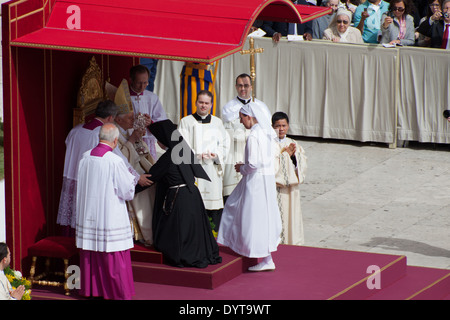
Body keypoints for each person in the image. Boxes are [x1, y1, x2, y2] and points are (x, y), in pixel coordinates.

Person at [143, 119, 222, 268]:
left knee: (181, 230)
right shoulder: (184, 150)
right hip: (193, 195)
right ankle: (199, 253)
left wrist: (131, 188)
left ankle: (186, 255)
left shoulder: (168, 156)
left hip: (179, 197)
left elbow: (150, 178)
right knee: (193, 228)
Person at [217, 102, 282, 272]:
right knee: (262, 216)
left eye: (241, 118)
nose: (240, 122)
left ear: (248, 117)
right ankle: (261, 254)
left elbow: (253, 163)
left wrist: (241, 168)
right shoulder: (266, 132)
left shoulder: (254, 136)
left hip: (255, 180)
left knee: (247, 213)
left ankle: (247, 247)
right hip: (266, 180)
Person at [76, 123, 137, 300]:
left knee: (92, 253)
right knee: (113, 256)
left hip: (89, 215)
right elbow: (127, 191)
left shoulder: (85, 157)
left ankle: (92, 290)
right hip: (109, 216)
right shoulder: (115, 161)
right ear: (115, 141)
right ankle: (117, 293)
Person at [56, 100, 119, 235]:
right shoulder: (103, 135)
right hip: (91, 183)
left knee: (72, 218)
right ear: (110, 118)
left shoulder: (75, 130)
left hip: (71, 177)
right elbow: (118, 160)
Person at [178, 90, 230, 232]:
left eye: (206, 103)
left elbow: (225, 144)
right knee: (194, 205)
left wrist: (216, 154)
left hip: (212, 170)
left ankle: (214, 237)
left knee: (213, 207)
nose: (203, 106)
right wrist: (196, 155)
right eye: (201, 102)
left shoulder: (217, 122)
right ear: (196, 103)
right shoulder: (186, 122)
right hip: (194, 170)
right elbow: (181, 145)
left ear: (211, 105)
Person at [221, 74, 271, 200]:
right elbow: (227, 132)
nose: (243, 88)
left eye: (246, 85)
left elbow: (267, 130)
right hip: (235, 151)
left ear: (251, 87)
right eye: (240, 86)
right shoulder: (228, 108)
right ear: (236, 87)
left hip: (257, 151)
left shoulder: (261, 107)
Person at [115, 99, 156, 246]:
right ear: (118, 119)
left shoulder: (128, 129)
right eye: (129, 117)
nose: (133, 120)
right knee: (144, 193)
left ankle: (154, 231)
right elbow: (120, 159)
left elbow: (142, 151)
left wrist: (138, 140)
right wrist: (132, 141)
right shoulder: (114, 133)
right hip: (126, 174)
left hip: (138, 167)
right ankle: (148, 235)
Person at [272, 112, 307, 246]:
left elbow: (302, 165)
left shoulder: (293, 143)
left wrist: (292, 157)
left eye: (284, 125)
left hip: (291, 190)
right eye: (277, 126)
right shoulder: (270, 143)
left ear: (288, 126)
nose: (281, 129)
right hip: (276, 188)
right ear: (272, 126)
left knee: (291, 218)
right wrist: (284, 155)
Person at [128, 64, 167, 159]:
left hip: (147, 140)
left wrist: (151, 123)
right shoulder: (124, 97)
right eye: (139, 83)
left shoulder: (152, 97)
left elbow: (161, 119)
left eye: (145, 83)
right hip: (129, 139)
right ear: (131, 80)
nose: (142, 86)